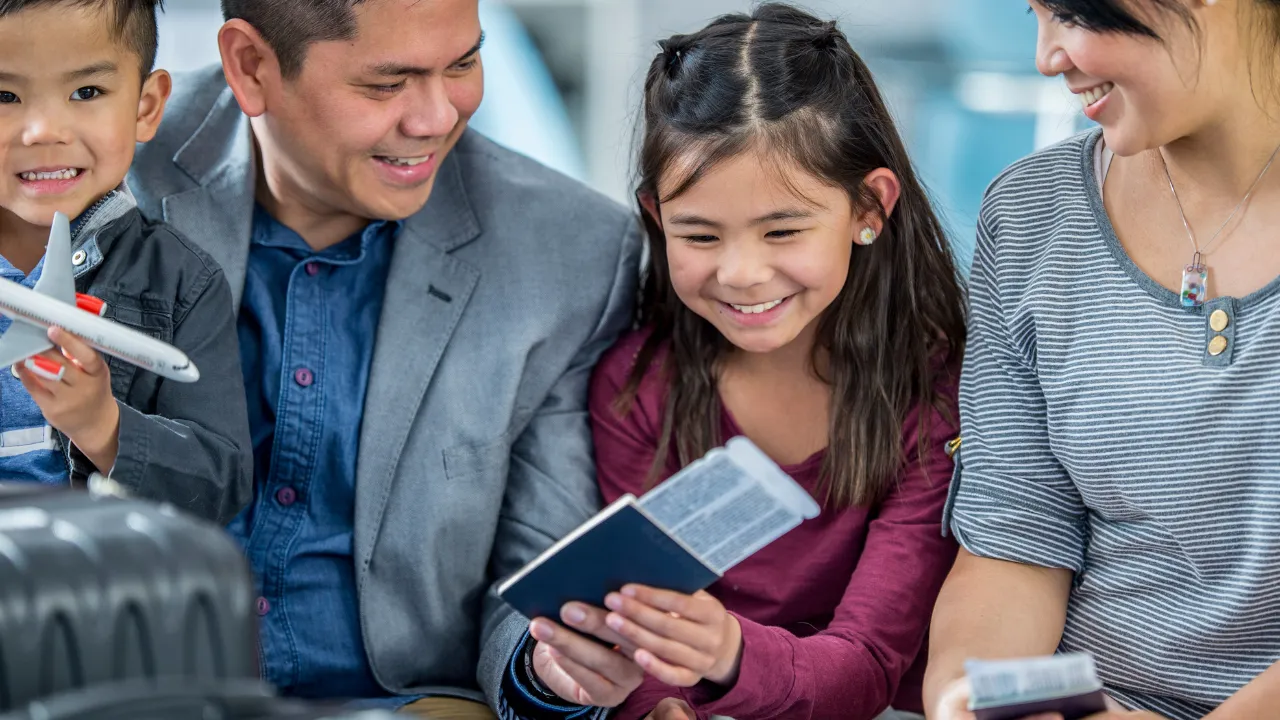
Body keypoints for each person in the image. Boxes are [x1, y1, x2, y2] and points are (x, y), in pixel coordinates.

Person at [126, 0, 641, 715]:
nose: (436, 117)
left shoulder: (571, 254)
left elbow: (538, 568)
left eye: (463, 63)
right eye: (385, 83)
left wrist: (550, 667)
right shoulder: (99, 164)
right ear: (250, 67)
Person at [502, 5, 968, 719]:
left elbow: (869, 663)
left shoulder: (934, 394)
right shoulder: (637, 388)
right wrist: (659, 704)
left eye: (782, 229)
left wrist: (729, 653)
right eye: (701, 234)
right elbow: (635, 635)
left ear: (870, 207)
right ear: (656, 219)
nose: (743, 274)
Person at [925, 1, 1280, 719]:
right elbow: (1015, 539)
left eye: (1068, 11)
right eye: (1033, 13)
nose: (1047, 56)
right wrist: (974, 698)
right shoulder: (1030, 214)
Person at [0, 0, 251, 522]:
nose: (43, 130)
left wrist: (102, 425)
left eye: (85, 92)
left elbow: (221, 487)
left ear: (146, 106)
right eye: (4, 95)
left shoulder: (183, 283)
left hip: (90, 590)